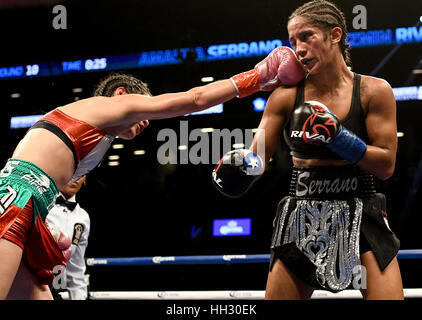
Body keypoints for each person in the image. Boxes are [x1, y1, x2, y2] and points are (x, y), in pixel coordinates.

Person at [0, 46, 305, 299]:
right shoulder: (105, 106)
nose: (147, 118)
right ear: (122, 94)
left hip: (29, 203)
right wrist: (257, 77)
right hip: (17, 197)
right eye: (142, 106)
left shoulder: (94, 133)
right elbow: (194, 99)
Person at [212, 0, 403, 300]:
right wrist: (240, 165)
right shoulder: (284, 97)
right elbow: (258, 156)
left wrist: (338, 136)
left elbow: (386, 165)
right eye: (292, 41)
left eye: (307, 36)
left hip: (363, 211)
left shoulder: (373, 91)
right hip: (302, 212)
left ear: (335, 35)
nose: (298, 48)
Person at [46, 176, 90, 300]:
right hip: (27, 286)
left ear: (85, 180)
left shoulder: (83, 217)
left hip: (55, 290)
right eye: (73, 173)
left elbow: (76, 267)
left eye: (81, 175)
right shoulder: (40, 204)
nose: (76, 179)